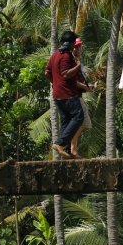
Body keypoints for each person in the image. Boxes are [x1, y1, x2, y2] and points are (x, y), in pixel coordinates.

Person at [44, 30, 85, 160]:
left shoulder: (55, 54)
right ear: (72, 43)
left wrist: (55, 83)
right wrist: (78, 66)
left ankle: (66, 150)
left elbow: (47, 72)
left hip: (57, 94)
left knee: (66, 121)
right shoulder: (66, 56)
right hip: (68, 93)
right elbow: (66, 74)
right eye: (74, 43)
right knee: (79, 116)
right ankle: (60, 143)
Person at [70, 37, 94, 158]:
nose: (79, 49)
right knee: (84, 122)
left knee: (82, 122)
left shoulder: (77, 61)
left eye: (80, 46)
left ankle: (73, 149)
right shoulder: (71, 61)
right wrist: (85, 87)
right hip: (73, 96)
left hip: (77, 95)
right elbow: (72, 81)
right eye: (76, 46)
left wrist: (86, 86)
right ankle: (72, 148)